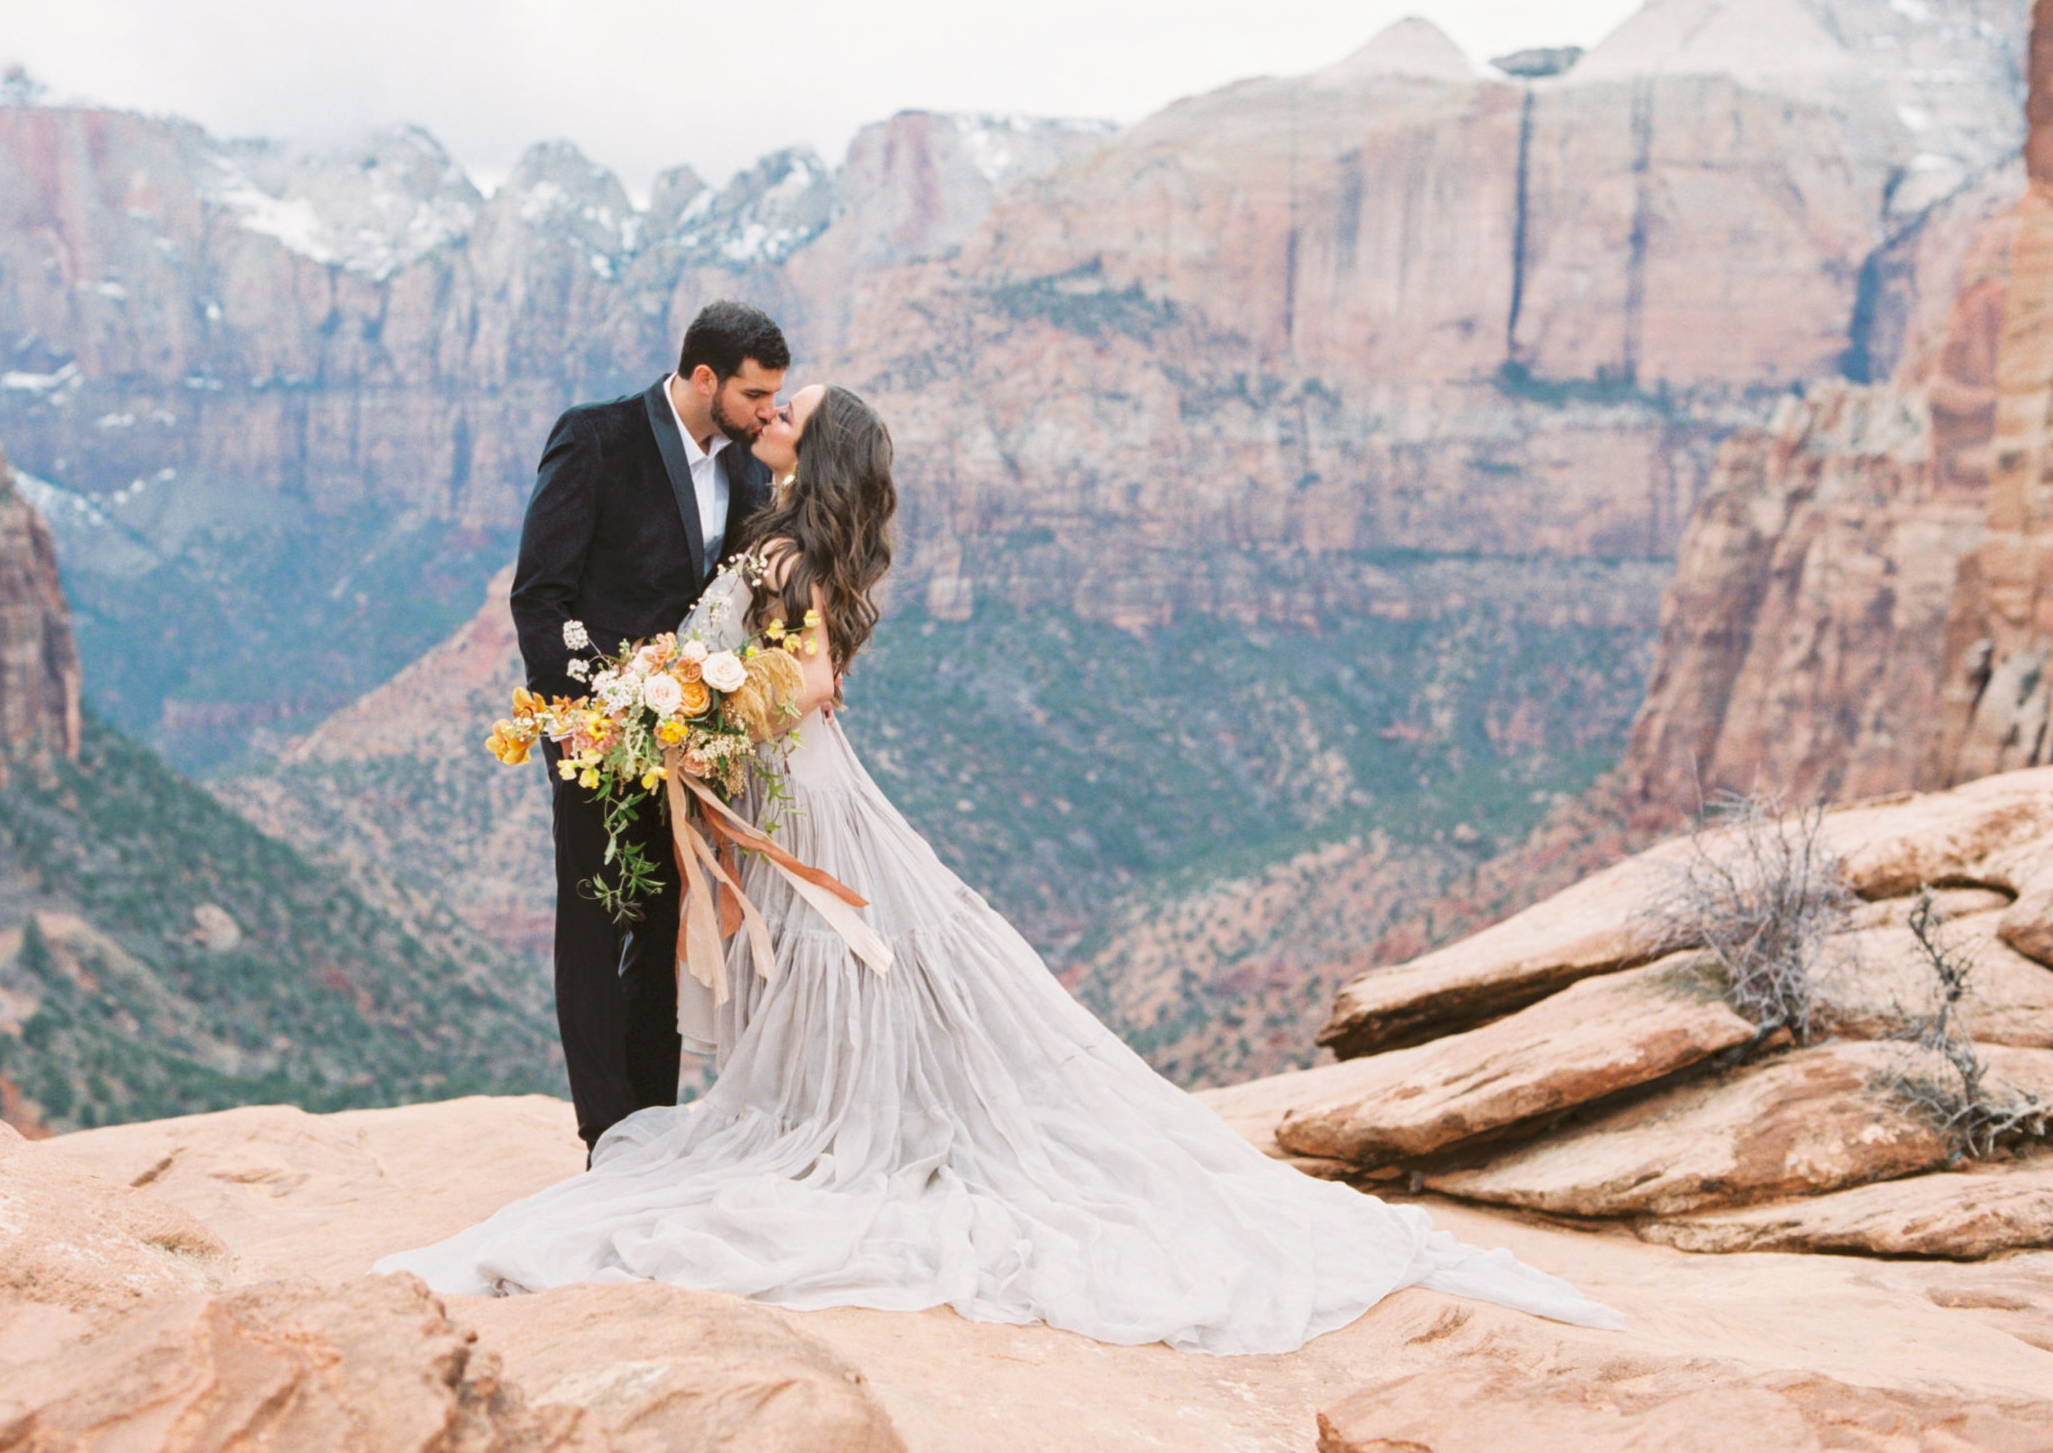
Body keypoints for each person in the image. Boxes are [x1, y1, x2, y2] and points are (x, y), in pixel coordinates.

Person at [381, 382, 1623, 1353]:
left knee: (837, 953)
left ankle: (843, 1124)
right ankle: (831, 1110)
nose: (775, 413)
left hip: (796, 789)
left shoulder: (792, 553)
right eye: (772, 402)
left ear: (817, 458)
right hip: (775, 780)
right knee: (825, 964)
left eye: (794, 416)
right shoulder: (778, 534)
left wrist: (695, 712)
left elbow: (806, 682)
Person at [510, 299, 790, 1152]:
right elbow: (540, 595)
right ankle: (605, 1135)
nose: (767, 415)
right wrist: (606, 702)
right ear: (704, 379)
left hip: (687, 739)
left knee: (664, 923)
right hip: (597, 729)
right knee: (596, 924)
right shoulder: (596, 437)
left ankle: (652, 1131)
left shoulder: (748, 473)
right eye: (754, 397)